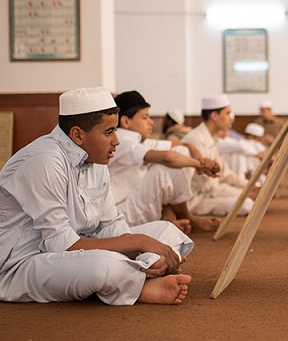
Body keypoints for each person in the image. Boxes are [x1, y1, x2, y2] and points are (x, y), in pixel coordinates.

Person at [0, 87, 193, 305]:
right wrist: (139, 243)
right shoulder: (45, 161)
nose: (117, 141)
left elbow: (110, 223)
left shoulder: (95, 157)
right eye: (109, 132)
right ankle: (141, 284)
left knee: (167, 232)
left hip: (81, 246)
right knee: (102, 267)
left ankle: (139, 272)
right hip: (24, 263)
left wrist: (140, 249)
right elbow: (61, 245)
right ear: (77, 135)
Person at [109, 91, 221, 233]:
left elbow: (179, 147)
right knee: (169, 167)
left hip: (135, 206)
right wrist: (199, 164)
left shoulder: (138, 140)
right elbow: (167, 158)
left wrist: (195, 152)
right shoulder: (122, 140)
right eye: (145, 117)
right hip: (123, 214)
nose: (151, 122)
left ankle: (168, 219)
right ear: (126, 121)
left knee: (180, 154)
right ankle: (187, 217)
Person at [182, 95, 258, 216]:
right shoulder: (196, 139)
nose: (230, 118)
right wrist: (244, 194)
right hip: (197, 200)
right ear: (214, 116)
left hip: (210, 193)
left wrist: (250, 186)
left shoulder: (212, 138)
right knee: (248, 204)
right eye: (227, 113)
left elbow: (224, 173)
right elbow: (209, 187)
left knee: (251, 200)